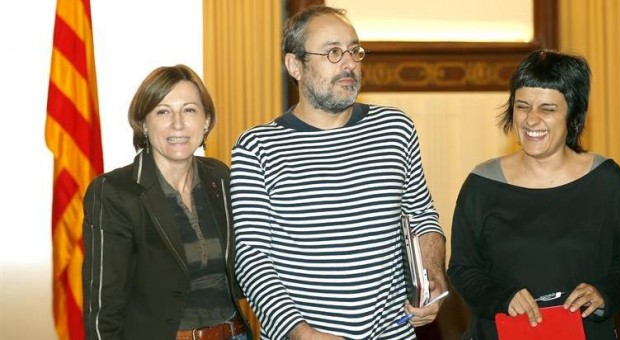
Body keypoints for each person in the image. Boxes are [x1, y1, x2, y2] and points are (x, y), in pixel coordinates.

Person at [229, 5, 447, 340]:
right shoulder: (257, 146)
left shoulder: (395, 128)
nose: (348, 63)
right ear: (294, 65)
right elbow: (253, 257)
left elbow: (421, 215)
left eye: (354, 51)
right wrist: (301, 333)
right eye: (332, 52)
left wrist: (433, 277)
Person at [447, 49, 620, 339]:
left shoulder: (605, 180)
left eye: (548, 108)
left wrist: (604, 293)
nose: (531, 120)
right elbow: (462, 267)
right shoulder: (482, 183)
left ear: (573, 114)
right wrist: (502, 298)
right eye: (522, 106)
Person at [82, 64, 252, 340]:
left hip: (235, 334)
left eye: (189, 110)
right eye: (163, 111)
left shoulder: (220, 177)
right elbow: (103, 307)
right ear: (144, 123)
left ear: (206, 120)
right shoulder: (114, 192)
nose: (178, 124)